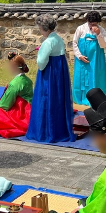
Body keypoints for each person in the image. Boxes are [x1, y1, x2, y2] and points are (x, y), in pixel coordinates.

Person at [26, 14, 76, 144]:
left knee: (46, 99)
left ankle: (45, 131)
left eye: (40, 28)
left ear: (45, 28)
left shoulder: (47, 42)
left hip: (49, 73)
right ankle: (60, 129)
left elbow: (41, 62)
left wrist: (41, 52)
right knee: (58, 99)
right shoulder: (58, 39)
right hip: (59, 72)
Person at [0, 52, 33, 138]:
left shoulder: (14, 84)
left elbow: (5, 105)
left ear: (14, 67)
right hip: (29, 111)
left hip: (19, 113)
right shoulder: (28, 80)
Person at [72, 10, 106, 105]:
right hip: (82, 59)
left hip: (96, 59)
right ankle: (80, 98)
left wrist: (98, 34)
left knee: (96, 77)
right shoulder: (80, 29)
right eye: (90, 23)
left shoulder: (101, 30)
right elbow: (74, 43)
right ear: (87, 20)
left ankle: (97, 99)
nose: (92, 26)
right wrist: (79, 56)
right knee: (81, 78)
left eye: (94, 24)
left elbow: (105, 44)